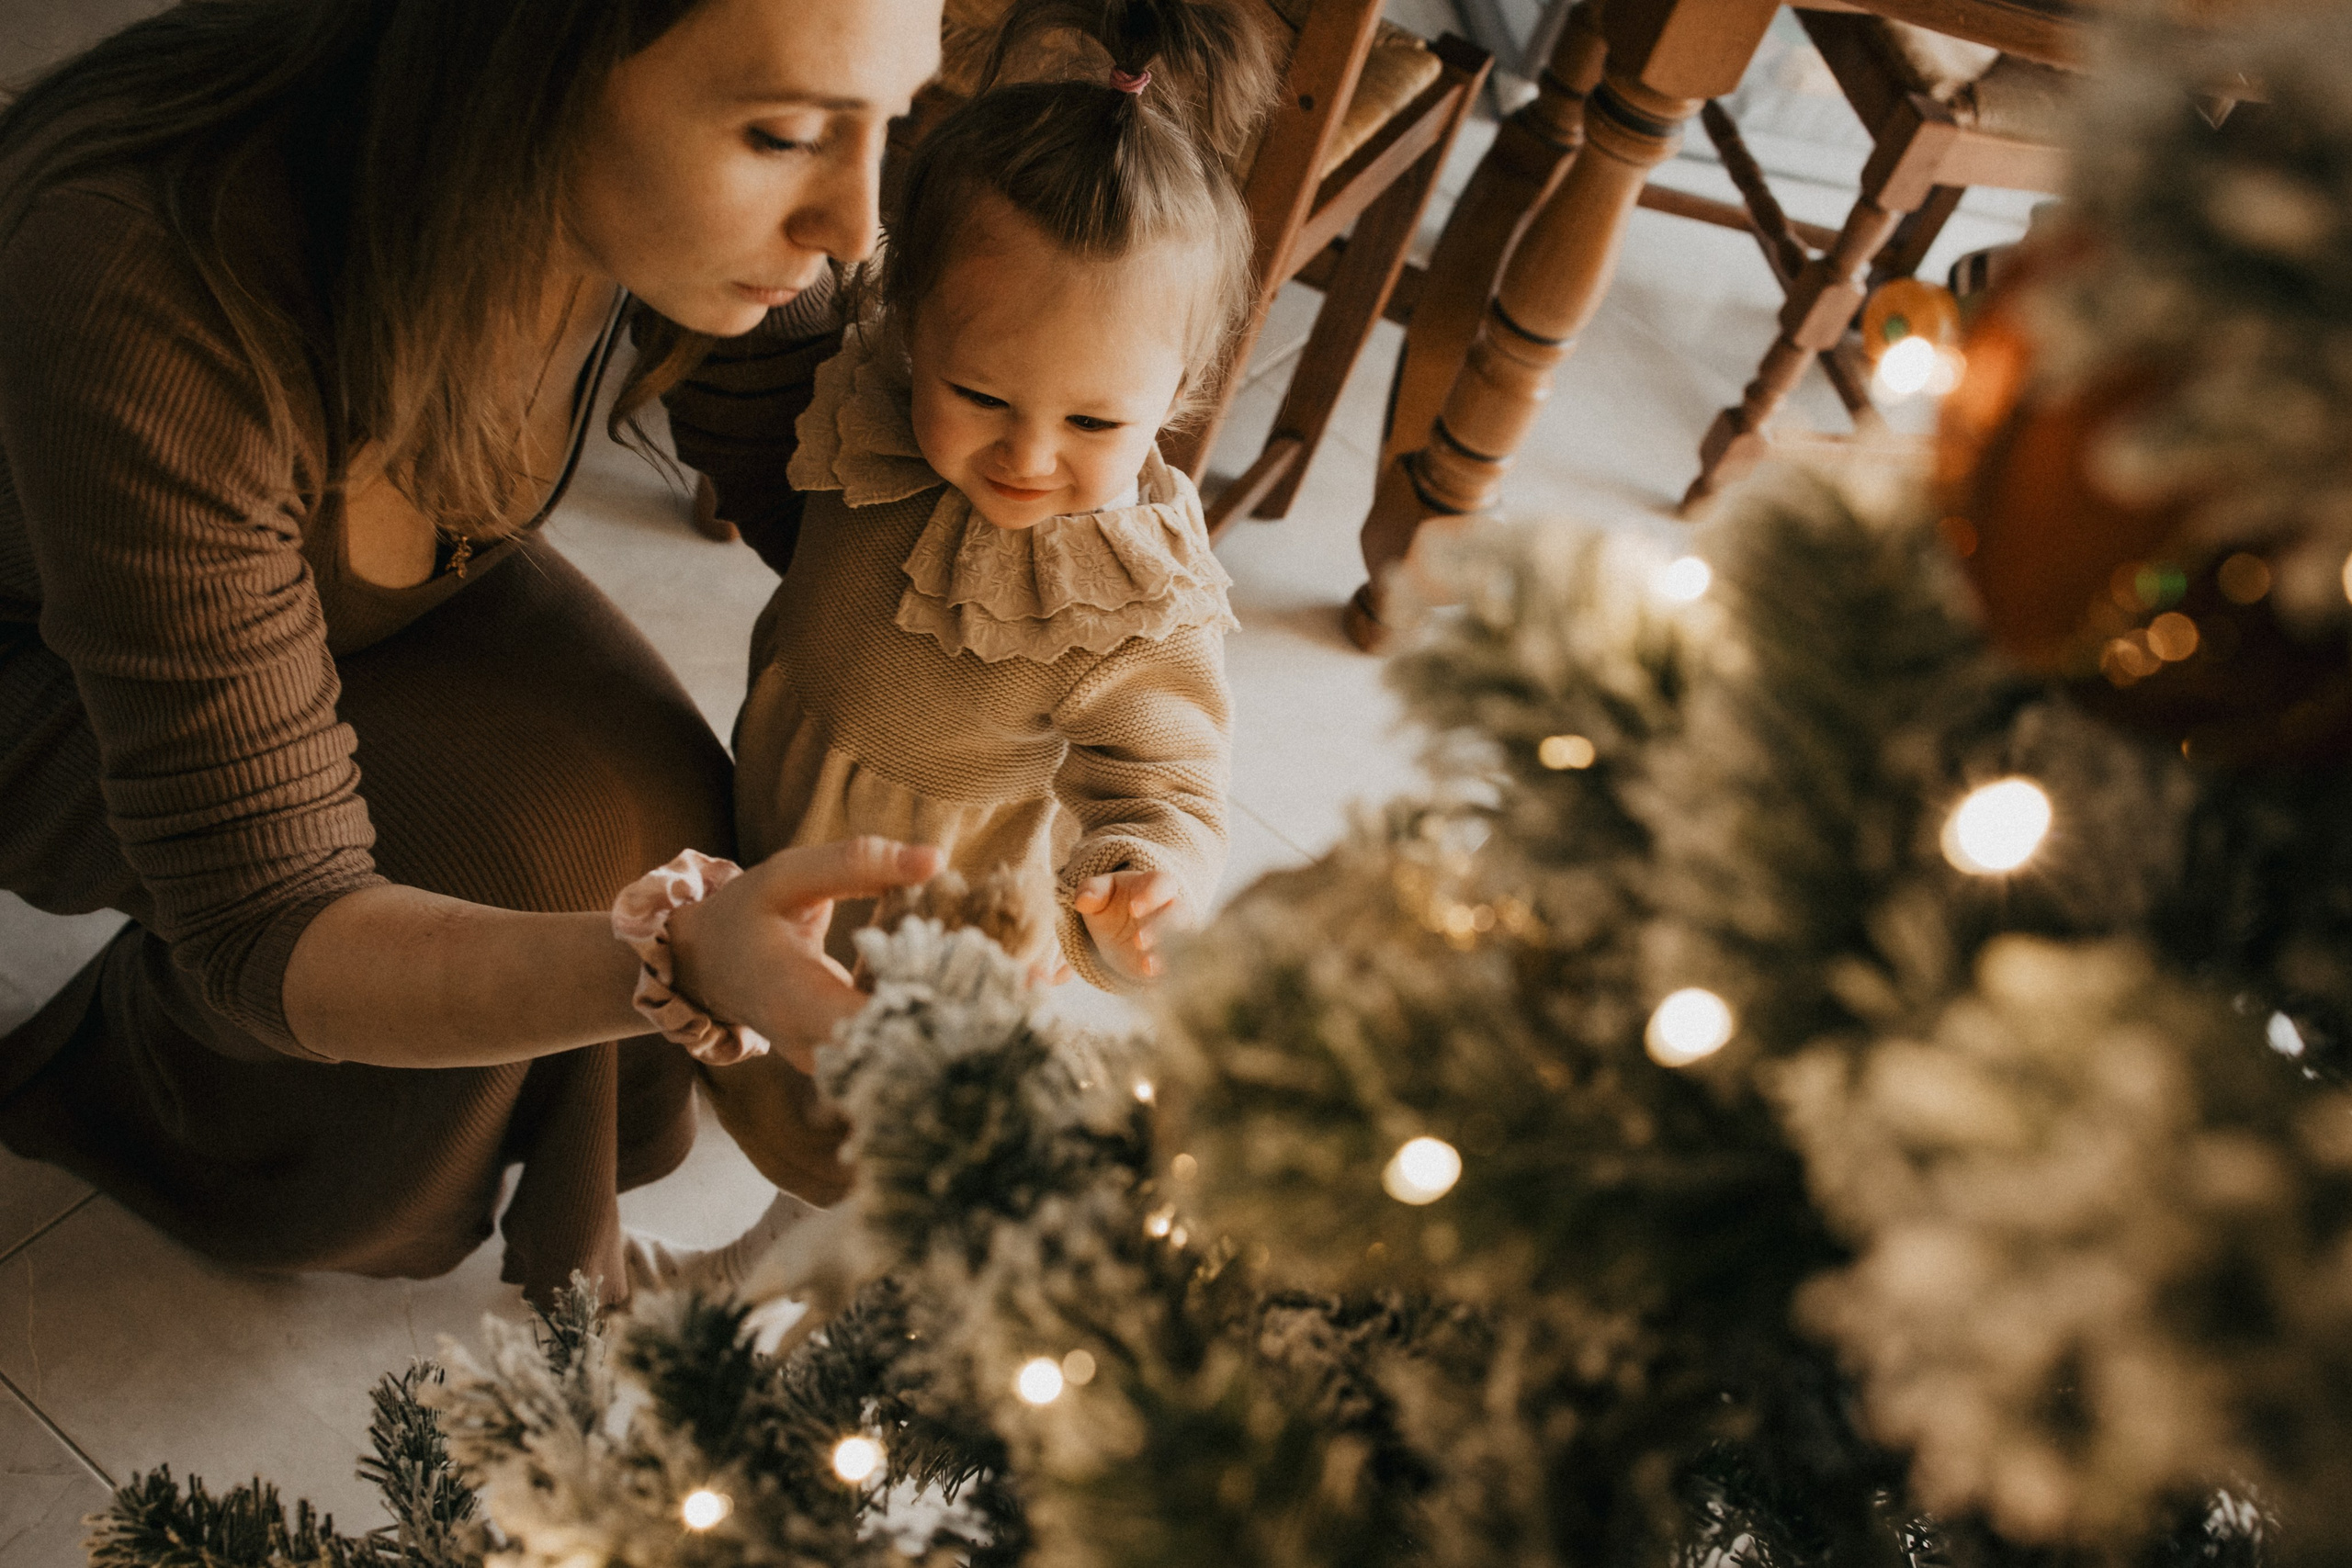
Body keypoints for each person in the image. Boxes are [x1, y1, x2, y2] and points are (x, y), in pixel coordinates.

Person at [0, 0, 944, 1307]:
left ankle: (538, 1192)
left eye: (892, 121)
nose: (854, 221)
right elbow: (277, 918)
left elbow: (820, 462)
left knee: (661, 816)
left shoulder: (596, 194)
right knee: (542, 878)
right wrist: (665, 967)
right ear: (526, 60)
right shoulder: (154, 282)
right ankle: (170, 1111)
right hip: (39, 643)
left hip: (353, 585)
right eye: (785, 133)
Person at [701, 0, 1272, 1237]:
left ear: (1178, 396)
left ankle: (771, 1275)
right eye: (980, 392)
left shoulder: (1130, 591)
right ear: (910, 327)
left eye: (1094, 424)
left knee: (855, 1133)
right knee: (727, 1015)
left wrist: (1145, 881)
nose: (1025, 452)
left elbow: (1165, 781)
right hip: (785, 782)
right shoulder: (878, 388)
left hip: (930, 907)